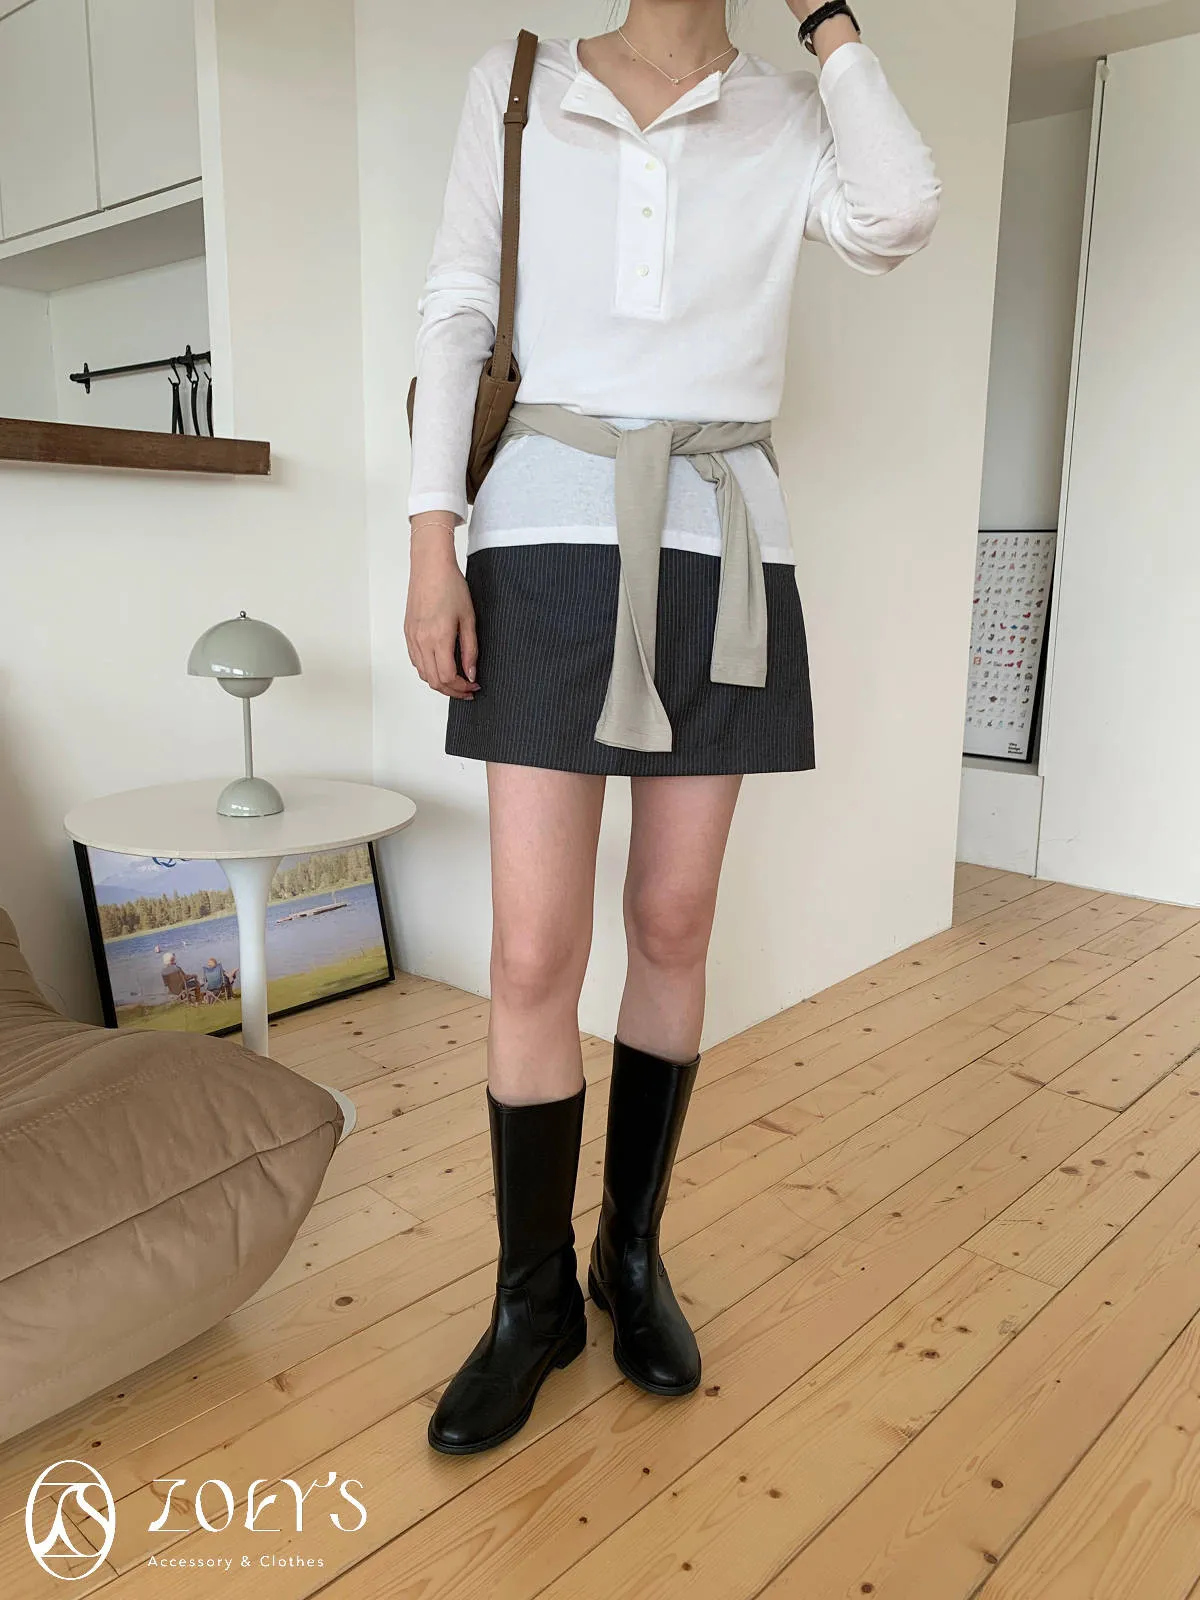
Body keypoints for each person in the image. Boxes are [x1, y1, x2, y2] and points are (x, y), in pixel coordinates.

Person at [406, 0, 940, 1455]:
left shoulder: (788, 110)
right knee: (532, 947)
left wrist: (831, 29)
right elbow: (458, 311)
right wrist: (432, 542)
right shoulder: (520, 84)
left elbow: (898, 213)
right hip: (541, 540)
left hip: (724, 544)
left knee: (675, 919)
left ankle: (626, 1258)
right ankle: (528, 1301)